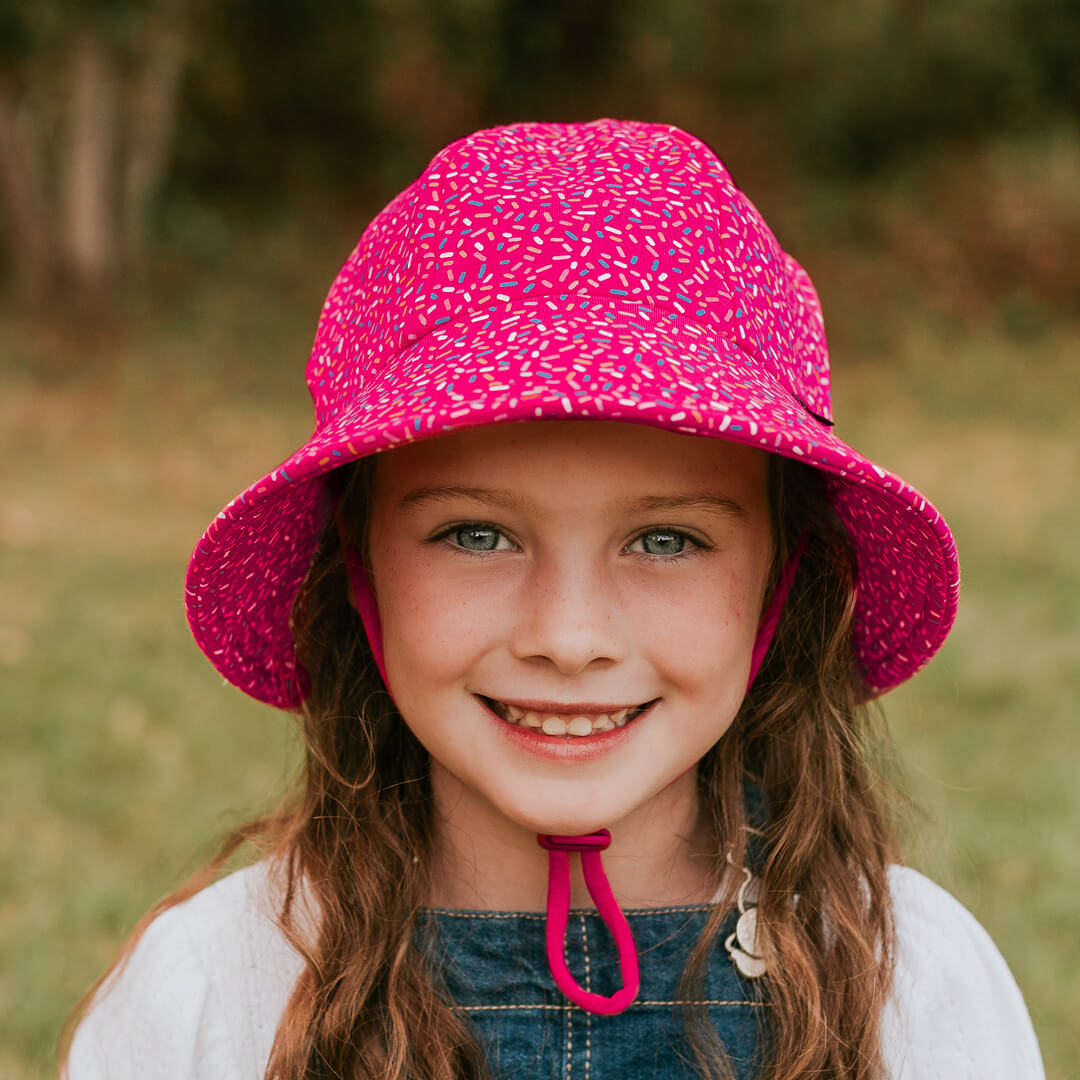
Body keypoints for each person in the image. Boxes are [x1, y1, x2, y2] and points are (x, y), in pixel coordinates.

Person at [61, 119, 1045, 1080]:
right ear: (355, 571)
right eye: (476, 535)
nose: (569, 638)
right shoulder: (212, 996)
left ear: (784, 579)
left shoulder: (909, 986)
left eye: (667, 541)